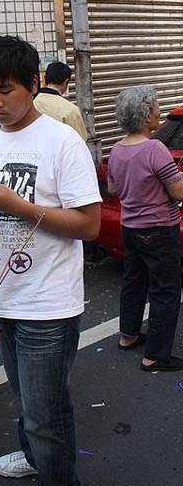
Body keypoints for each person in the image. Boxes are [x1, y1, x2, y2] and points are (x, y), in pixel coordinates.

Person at [0, 35, 102, 486]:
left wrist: (17, 205)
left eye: (6, 90)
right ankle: (36, 454)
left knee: (46, 414)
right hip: (2, 300)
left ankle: (52, 466)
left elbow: (89, 225)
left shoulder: (62, 142)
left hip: (48, 306)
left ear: (33, 84)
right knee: (32, 402)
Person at [108, 86, 183, 371]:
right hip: (159, 230)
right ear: (145, 113)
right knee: (165, 290)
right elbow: (178, 193)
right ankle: (155, 355)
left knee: (133, 282)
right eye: (156, 108)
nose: (159, 113)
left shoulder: (117, 149)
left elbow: (113, 188)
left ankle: (128, 335)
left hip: (130, 227)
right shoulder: (155, 149)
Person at [34, 61, 88, 140]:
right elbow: (80, 140)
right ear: (65, 82)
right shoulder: (70, 110)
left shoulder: (31, 103)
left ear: (45, 79)